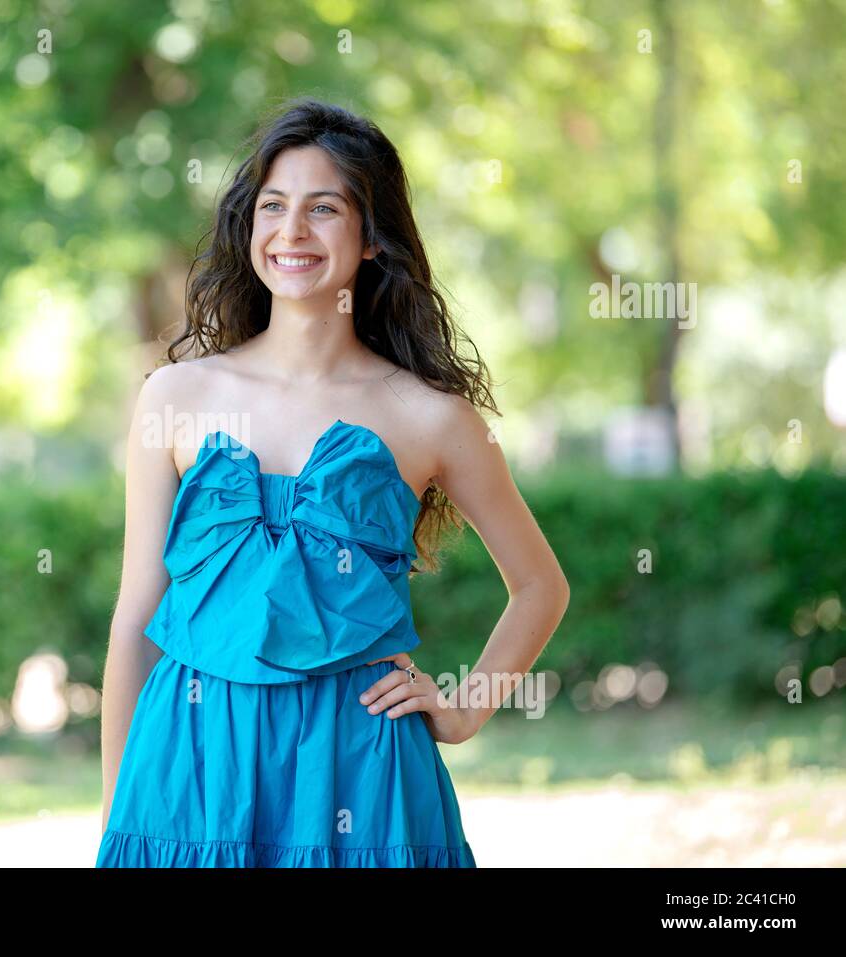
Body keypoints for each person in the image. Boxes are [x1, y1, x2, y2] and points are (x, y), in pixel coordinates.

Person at [96, 97, 570, 867]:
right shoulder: (175, 397)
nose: (292, 232)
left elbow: (540, 585)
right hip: (189, 769)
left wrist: (460, 710)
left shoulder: (430, 417)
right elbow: (135, 616)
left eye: (324, 209)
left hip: (361, 771)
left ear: (373, 238)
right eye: (274, 207)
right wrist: (122, 816)